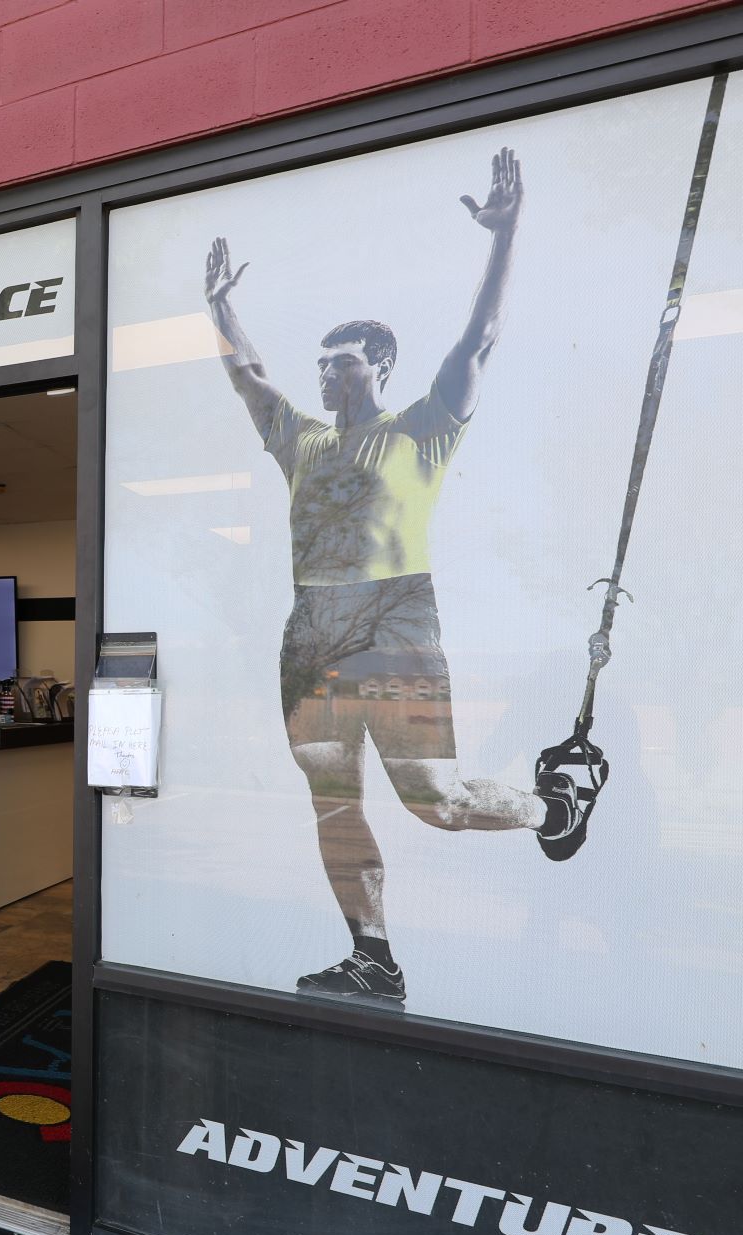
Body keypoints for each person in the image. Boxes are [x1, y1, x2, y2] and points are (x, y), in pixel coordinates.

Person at [203, 148, 595, 1008]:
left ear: (378, 365)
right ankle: (371, 955)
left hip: (395, 617)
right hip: (312, 624)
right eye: (323, 363)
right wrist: (222, 305)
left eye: (344, 361)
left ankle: (551, 803)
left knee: (435, 800)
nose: (328, 373)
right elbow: (248, 376)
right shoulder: (301, 440)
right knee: (334, 803)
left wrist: (506, 232)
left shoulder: (423, 426)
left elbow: (481, 336)